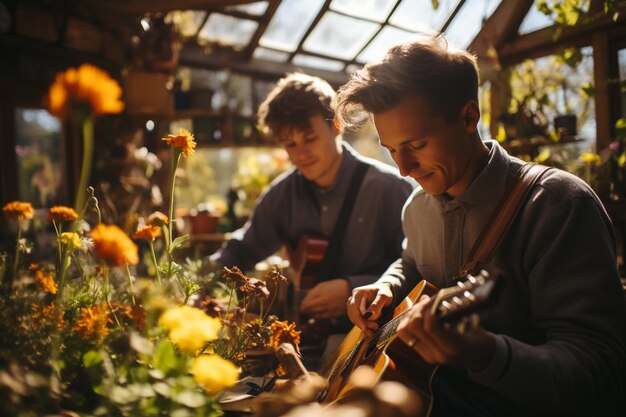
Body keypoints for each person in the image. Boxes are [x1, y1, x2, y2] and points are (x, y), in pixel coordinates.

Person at [335, 36, 626, 416]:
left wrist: (488, 353)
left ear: (469, 117)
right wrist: (385, 286)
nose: (403, 168)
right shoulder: (416, 208)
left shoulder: (559, 207)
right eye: (391, 150)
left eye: (417, 145)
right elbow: (410, 264)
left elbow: (602, 375)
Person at [210, 73, 413, 345]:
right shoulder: (282, 195)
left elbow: (418, 269)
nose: (301, 153)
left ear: (337, 125)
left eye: (309, 138)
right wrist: (202, 287)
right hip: (305, 344)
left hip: (374, 344)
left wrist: (353, 288)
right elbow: (242, 250)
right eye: (290, 144)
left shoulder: (389, 189)